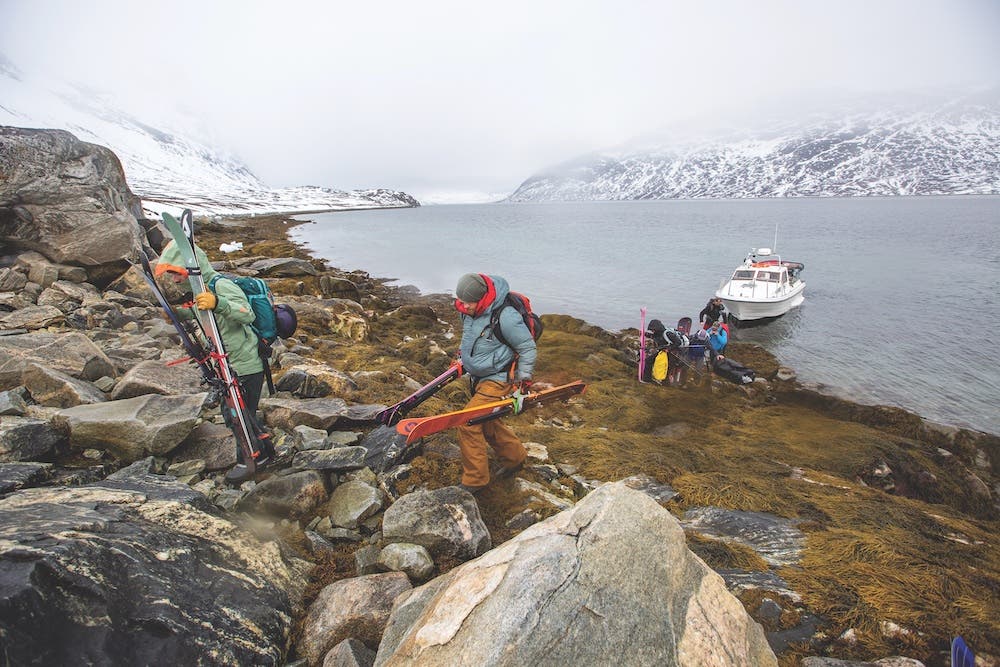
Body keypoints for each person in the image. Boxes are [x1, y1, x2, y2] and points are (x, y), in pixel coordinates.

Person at [155, 240, 274, 484]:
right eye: (172, 275)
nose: (175, 280)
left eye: (177, 273)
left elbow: (245, 313)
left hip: (246, 364)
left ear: (191, 268)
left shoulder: (221, 286)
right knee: (242, 413)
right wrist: (178, 314)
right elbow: (203, 313)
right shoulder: (204, 290)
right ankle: (266, 449)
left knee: (237, 415)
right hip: (226, 364)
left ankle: (250, 460)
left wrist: (219, 303)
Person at [453, 273, 535, 494]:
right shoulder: (468, 311)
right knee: (488, 422)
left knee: (468, 422)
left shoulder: (506, 316)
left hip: (499, 379)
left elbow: (527, 348)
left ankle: (475, 481)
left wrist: (523, 381)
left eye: (468, 302)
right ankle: (515, 458)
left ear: (483, 299)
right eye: (460, 301)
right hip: (478, 377)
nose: (463, 306)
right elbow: (470, 338)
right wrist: (462, 358)